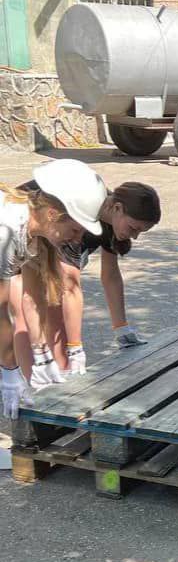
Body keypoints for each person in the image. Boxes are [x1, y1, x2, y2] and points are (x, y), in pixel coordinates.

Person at [12, 181, 161, 377]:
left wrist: (121, 328)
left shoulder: (109, 221)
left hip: (44, 244)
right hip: (24, 233)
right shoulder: (80, 216)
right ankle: (34, 384)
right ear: (117, 208)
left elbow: (110, 275)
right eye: (134, 228)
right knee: (30, 312)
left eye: (140, 232)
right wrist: (75, 348)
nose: (135, 237)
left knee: (50, 310)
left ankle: (52, 378)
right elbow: (69, 287)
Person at [0, 159, 107, 417]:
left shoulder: (35, 235)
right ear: (52, 214)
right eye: (75, 229)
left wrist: (41, 354)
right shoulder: (7, 231)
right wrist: (9, 371)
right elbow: (1, 309)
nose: (78, 239)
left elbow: (33, 297)